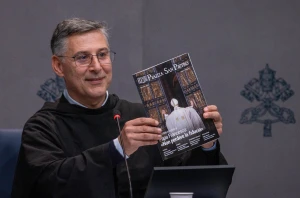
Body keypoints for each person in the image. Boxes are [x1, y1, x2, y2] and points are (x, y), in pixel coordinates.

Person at [11, 18, 227, 198]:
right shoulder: (42, 128)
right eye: (83, 57)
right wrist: (116, 149)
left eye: (103, 55)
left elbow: (187, 183)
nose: (97, 67)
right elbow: (48, 186)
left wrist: (206, 144)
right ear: (59, 66)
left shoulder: (142, 117)